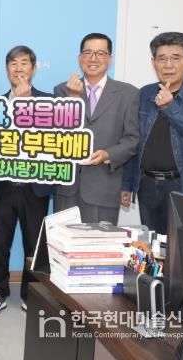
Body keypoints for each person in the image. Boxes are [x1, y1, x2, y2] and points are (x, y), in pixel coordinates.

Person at [122, 32, 183, 235]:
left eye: (176, 58)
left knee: (181, 247)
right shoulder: (145, 93)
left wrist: (169, 106)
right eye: (162, 58)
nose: (168, 65)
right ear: (153, 62)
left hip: (182, 185)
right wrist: (127, 184)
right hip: (147, 185)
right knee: (152, 245)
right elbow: (134, 140)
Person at [0, 45, 53, 316]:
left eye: (24, 63)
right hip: (2, 186)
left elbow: (51, 141)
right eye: (13, 63)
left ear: (34, 68)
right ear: (6, 69)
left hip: (34, 188)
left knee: (33, 245)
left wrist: (26, 105)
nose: (19, 68)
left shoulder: (49, 102)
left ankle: (30, 293)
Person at [53, 33, 139, 224]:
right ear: (79, 58)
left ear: (110, 59)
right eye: (88, 53)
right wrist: (73, 100)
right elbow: (57, 135)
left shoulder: (128, 93)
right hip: (67, 187)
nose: (93, 59)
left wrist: (108, 154)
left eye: (100, 53)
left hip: (105, 187)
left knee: (99, 243)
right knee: (62, 241)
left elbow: (132, 139)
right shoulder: (62, 90)